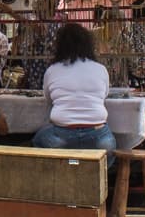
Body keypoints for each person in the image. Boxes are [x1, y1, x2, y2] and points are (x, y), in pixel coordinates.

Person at [31, 23, 116, 166]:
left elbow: (49, 99)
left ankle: (57, 177)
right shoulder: (101, 69)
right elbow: (104, 95)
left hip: (60, 138)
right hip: (100, 139)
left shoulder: (52, 70)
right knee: (109, 151)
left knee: (37, 140)